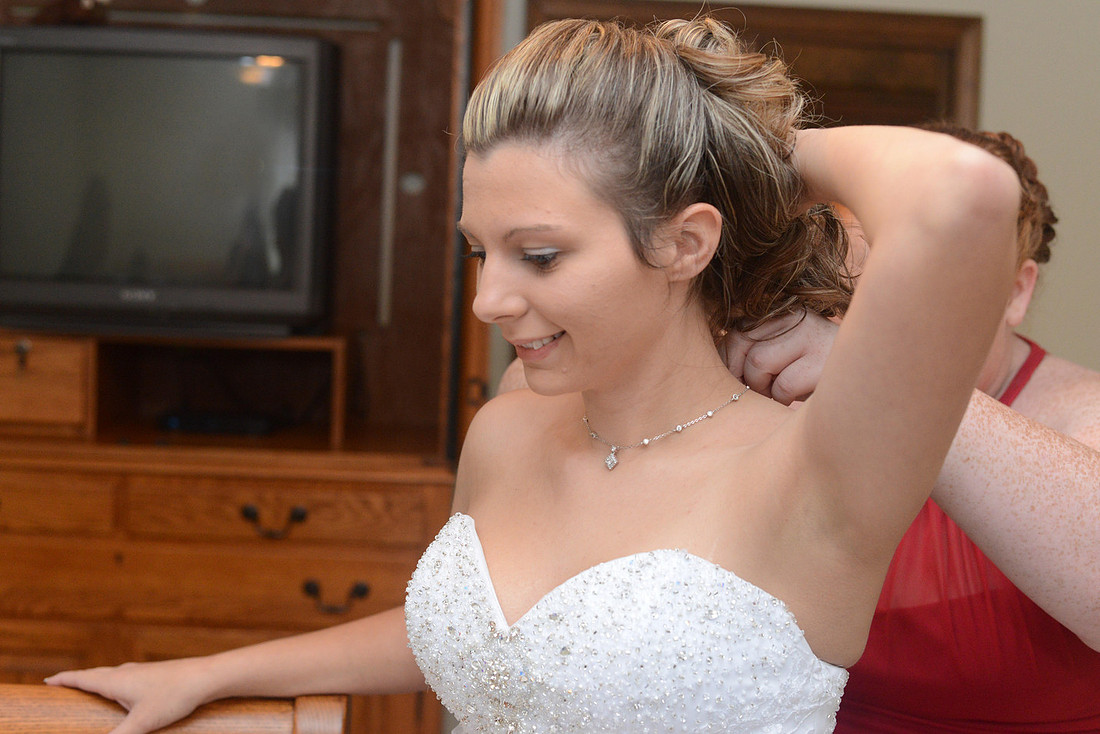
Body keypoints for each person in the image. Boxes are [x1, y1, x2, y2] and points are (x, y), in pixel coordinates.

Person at [45, 18, 1021, 733]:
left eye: (540, 255)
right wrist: (214, 672)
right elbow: (486, 641)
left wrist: (740, 152)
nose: (489, 300)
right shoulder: (505, 428)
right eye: (481, 251)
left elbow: (965, 193)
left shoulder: (815, 471)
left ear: (684, 242)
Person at [722, 126, 1100, 731]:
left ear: (1016, 292)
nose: (887, 319)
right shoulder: (794, 389)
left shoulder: (1085, 409)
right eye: (860, 292)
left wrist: (883, 374)